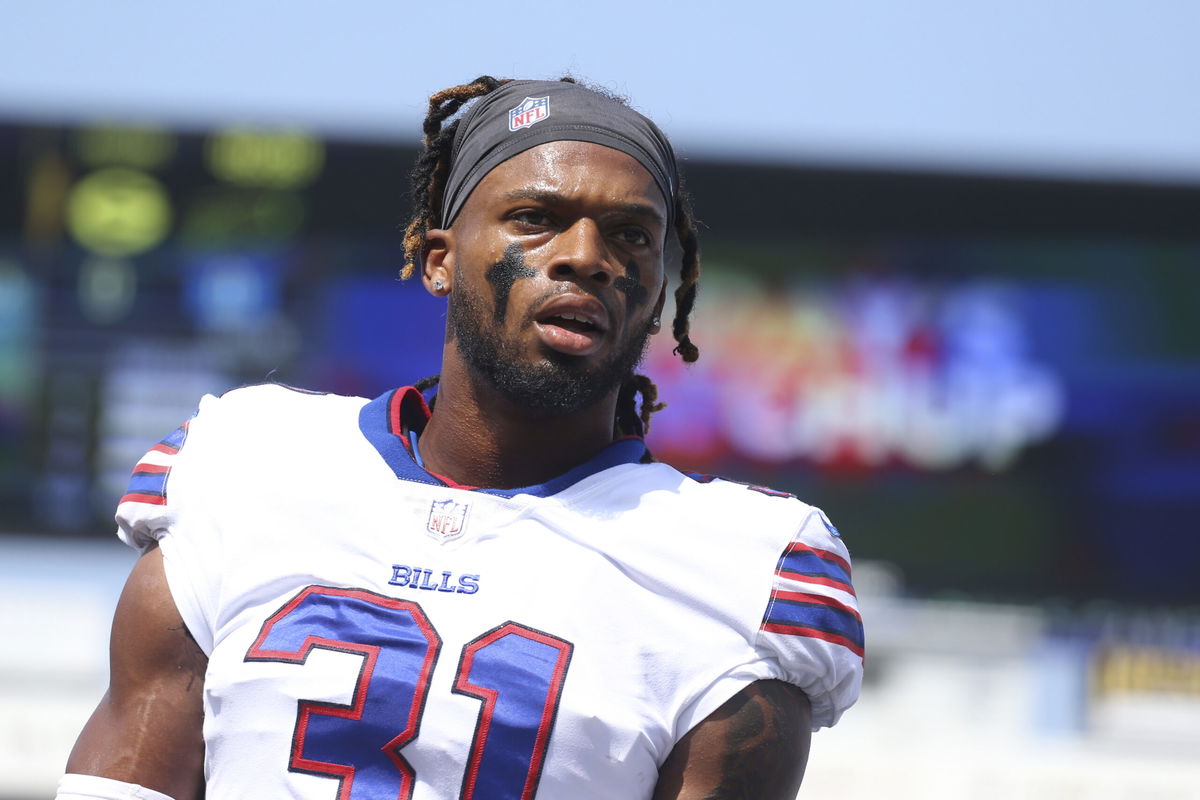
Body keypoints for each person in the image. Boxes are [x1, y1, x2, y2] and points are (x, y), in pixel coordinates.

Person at [59, 76, 863, 800]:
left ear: (659, 290)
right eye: (536, 219)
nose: (586, 259)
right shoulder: (247, 461)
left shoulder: (739, 565)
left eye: (631, 235)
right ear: (438, 258)